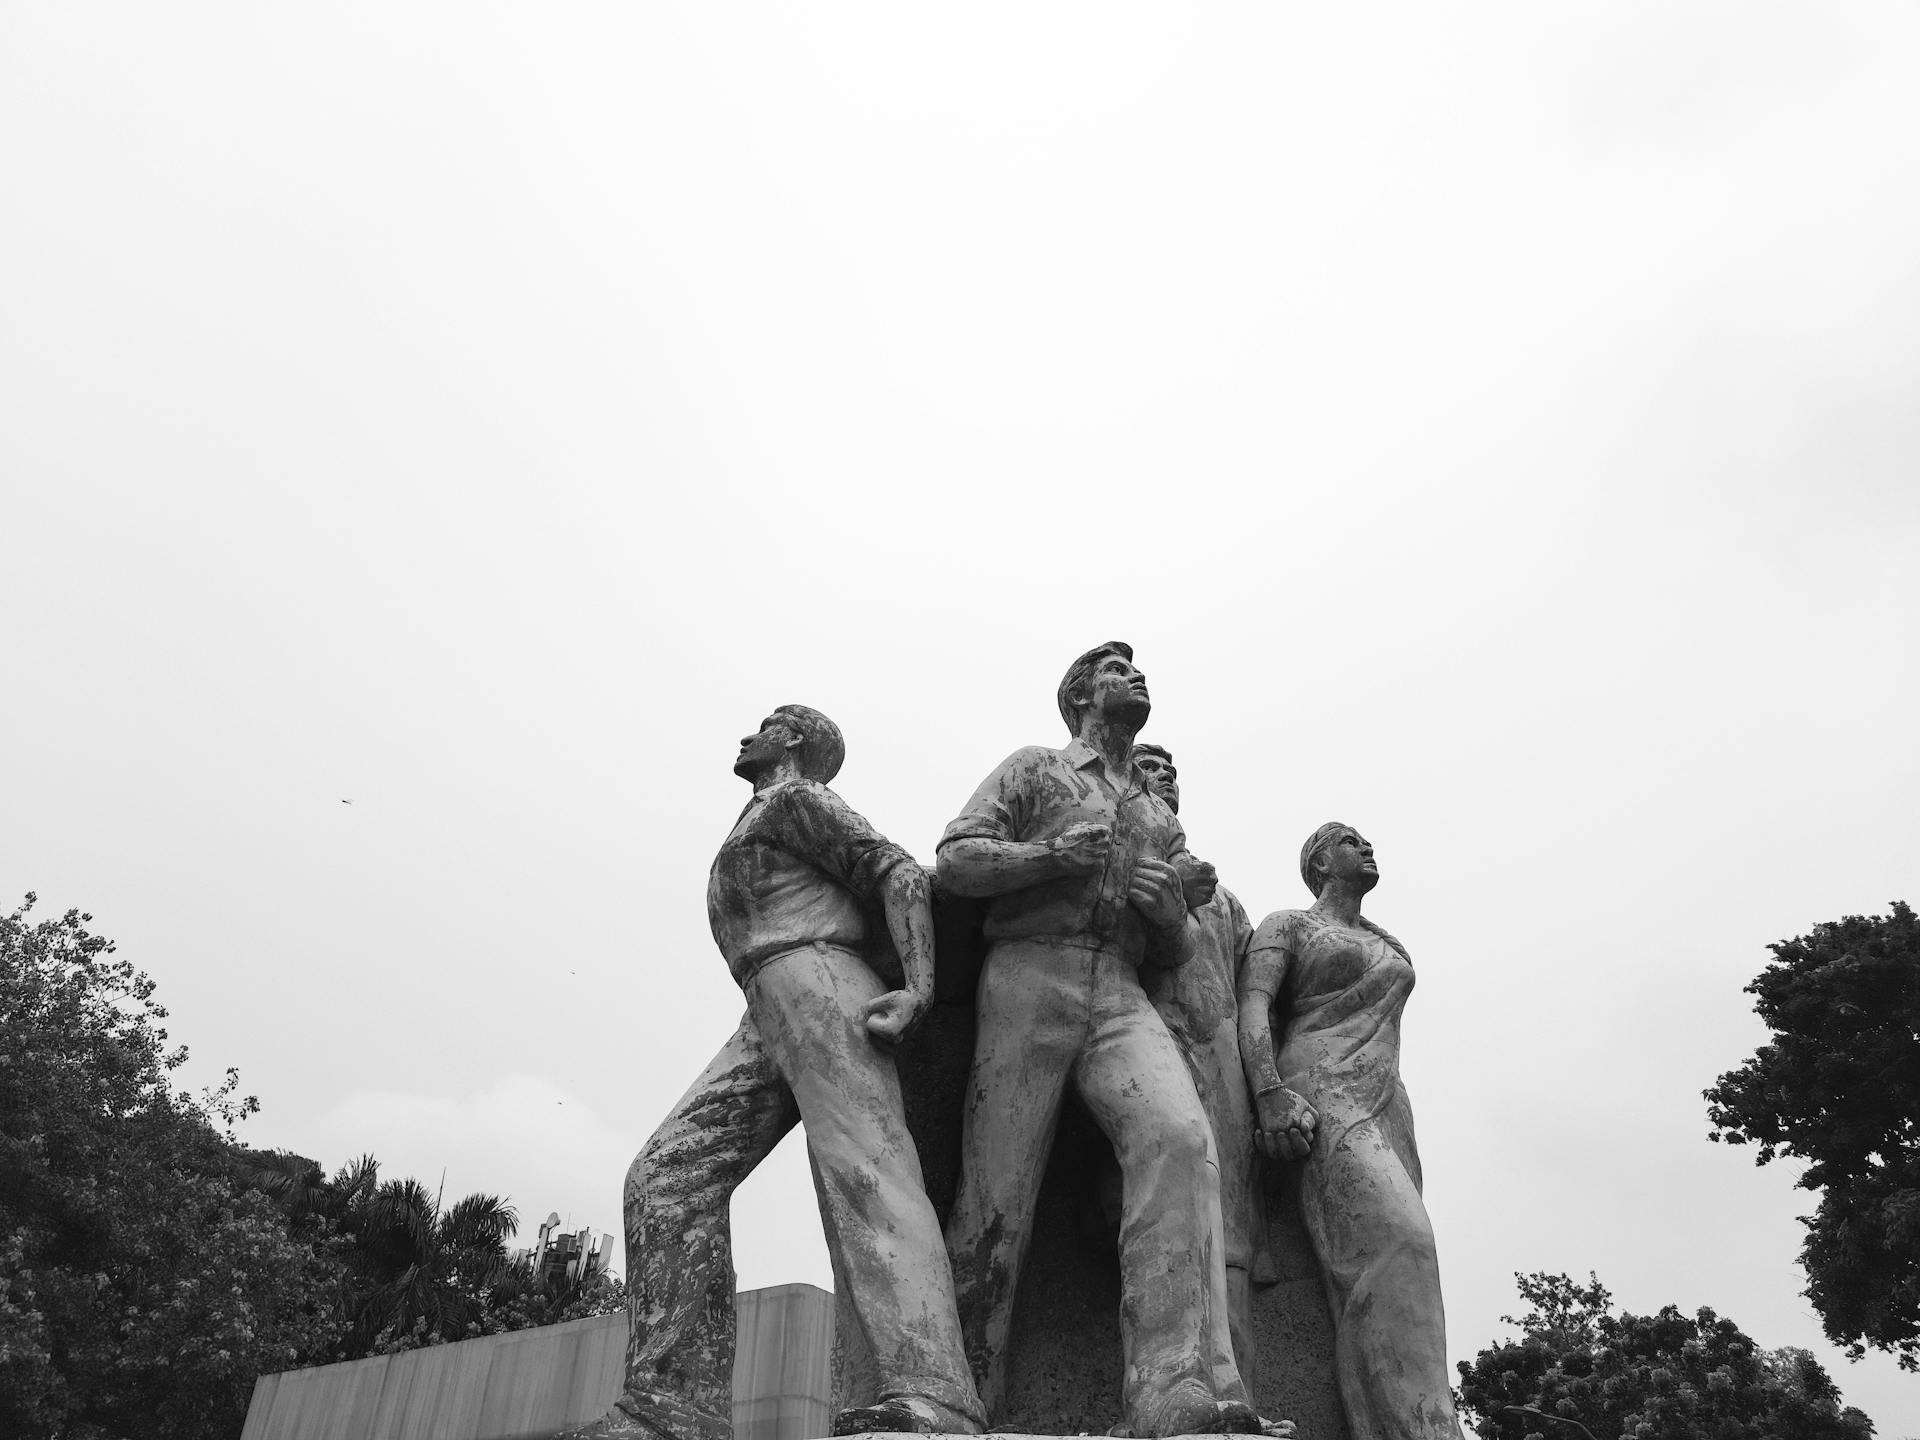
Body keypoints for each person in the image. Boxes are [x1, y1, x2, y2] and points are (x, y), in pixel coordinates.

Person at [567, 706, 983, 1440]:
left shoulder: (797, 799)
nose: (746, 735)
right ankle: (672, 1409)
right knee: (666, 1178)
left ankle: (934, 1396)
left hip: (821, 981)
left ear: (793, 740)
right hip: (765, 1006)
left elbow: (897, 874)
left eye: (764, 724)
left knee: (869, 1178)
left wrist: (917, 987)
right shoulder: (758, 814)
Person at [938, 642, 1258, 1438]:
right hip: (1028, 974)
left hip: (1118, 987)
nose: (1136, 675)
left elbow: (1182, 947)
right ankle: (962, 1393)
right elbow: (954, 860)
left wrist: (1165, 909)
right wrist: (1046, 857)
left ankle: (1169, 1388)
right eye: (1117, 667)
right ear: (1080, 693)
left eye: (1137, 667)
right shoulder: (1035, 770)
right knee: (997, 1188)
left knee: (1180, 1140)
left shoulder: (1156, 813)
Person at [1237, 823, 1467, 1440]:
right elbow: (1253, 1005)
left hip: (1388, 1099)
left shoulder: (1389, 942)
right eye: (1349, 841)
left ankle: (1389, 1423)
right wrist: (1267, 1093)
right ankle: (1425, 1430)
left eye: (1366, 841)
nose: (1366, 848)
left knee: (1396, 1263)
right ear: (1319, 862)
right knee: (1402, 1242)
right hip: (1320, 1089)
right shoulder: (1288, 924)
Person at [1131, 742, 1272, 1399]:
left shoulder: (1224, 900)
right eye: (1147, 769)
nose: (1164, 779)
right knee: (1168, 1204)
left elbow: (1255, 994)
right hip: (1149, 1043)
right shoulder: (1118, 869)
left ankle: (1233, 1386)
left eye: (1171, 771)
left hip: (1225, 1061)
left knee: (1233, 1233)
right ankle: (1166, 1379)